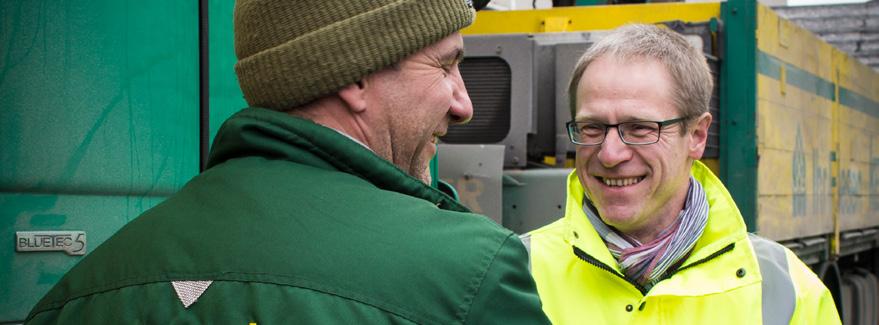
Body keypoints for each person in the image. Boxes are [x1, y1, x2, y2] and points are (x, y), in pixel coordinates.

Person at [25, 1, 549, 323]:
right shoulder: (467, 274)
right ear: (354, 76)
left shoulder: (79, 293)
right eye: (445, 66)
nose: (464, 104)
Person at [521, 24, 840, 324]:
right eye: (592, 127)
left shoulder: (787, 290)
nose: (609, 154)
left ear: (697, 136)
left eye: (640, 128)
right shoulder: (518, 272)